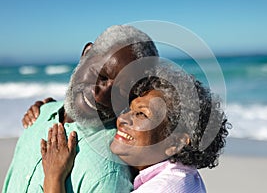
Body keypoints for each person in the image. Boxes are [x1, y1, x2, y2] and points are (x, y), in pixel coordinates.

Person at [2, 25, 159, 193]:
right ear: (86, 53)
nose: (99, 95)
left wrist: (54, 179)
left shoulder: (106, 173)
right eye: (100, 74)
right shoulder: (40, 115)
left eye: (120, 91)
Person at [40, 65, 230, 192]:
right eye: (128, 110)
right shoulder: (183, 175)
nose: (122, 118)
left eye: (141, 114)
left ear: (175, 142)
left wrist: (53, 177)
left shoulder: (164, 188)